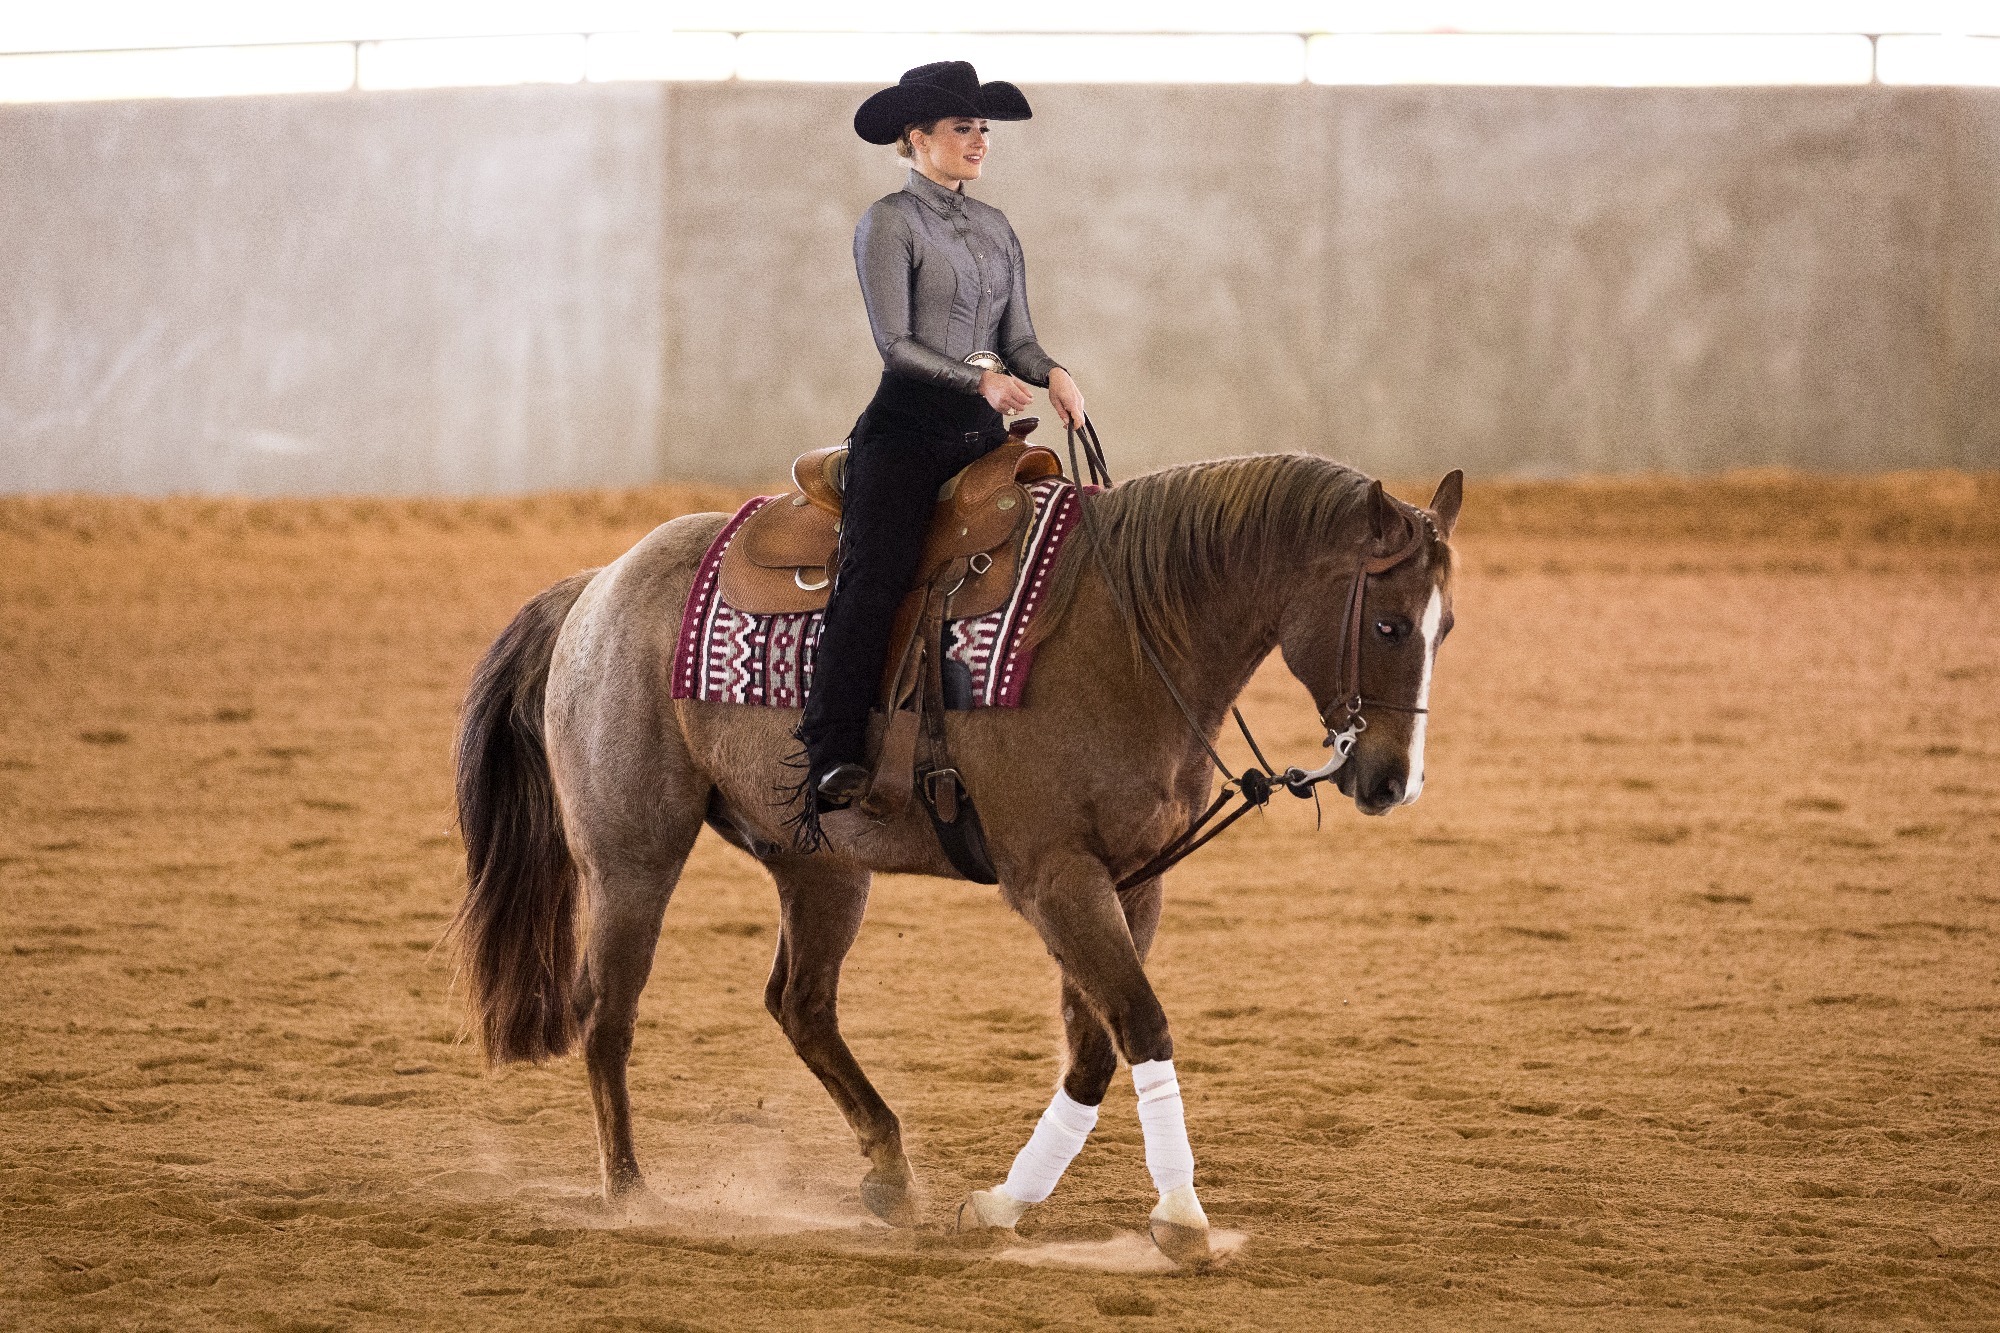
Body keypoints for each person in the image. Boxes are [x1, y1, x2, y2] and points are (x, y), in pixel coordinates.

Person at [795, 61, 1087, 815]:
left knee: (1057, 549)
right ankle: (830, 751)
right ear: (918, 138)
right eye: (963, 128)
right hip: (905, 433)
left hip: (980, 437)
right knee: (876, 574)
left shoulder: (995, 227)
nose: (979, 139)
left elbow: (1017, 335)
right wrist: (978, 380)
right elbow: (895, 342)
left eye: (982, 127)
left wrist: (1052, 373)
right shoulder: (888, 221)